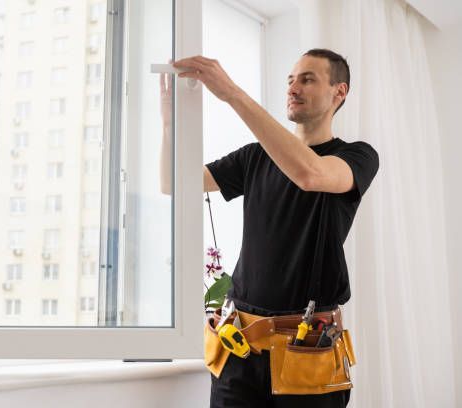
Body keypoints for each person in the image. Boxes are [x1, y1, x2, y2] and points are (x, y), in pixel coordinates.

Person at [159, 49, 379, 407]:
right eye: (290, 80)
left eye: (307, 79)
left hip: (306, 350)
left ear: (339, 92)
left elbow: (311, 175)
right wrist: (169, 126)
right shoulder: (255, 156)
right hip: (239, 346)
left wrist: (232, 93)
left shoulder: (357, 156)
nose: (293, 88)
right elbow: (173, 183)